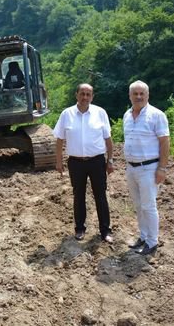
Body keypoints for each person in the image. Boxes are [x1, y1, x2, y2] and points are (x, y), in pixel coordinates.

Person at [53, 83, 115, 243]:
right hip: (76, 163)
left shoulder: (100, 113)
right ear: (77, 95)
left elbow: (108, 140)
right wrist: (58, 162)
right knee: (78, 196)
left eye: (88, 94)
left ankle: (105, 230)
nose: (85, 97)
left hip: (97, 162)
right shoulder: (67, 114)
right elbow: (59, 140)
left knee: (100, 195)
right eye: (82, 93)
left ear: (92, 97)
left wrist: (110, 161)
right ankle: (80, 228)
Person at [123, 80, 170, 256]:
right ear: (130, 96)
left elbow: (164, 142)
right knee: (138, 205)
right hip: (131, 168)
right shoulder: (127, 115)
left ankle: (152, 242)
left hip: (149, 168)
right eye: (135, 93)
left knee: (149, 206)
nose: (139, 96)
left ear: (148, 95)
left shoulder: (157, 115)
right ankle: (143, 237)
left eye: (142, 93)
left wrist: (162, 168)